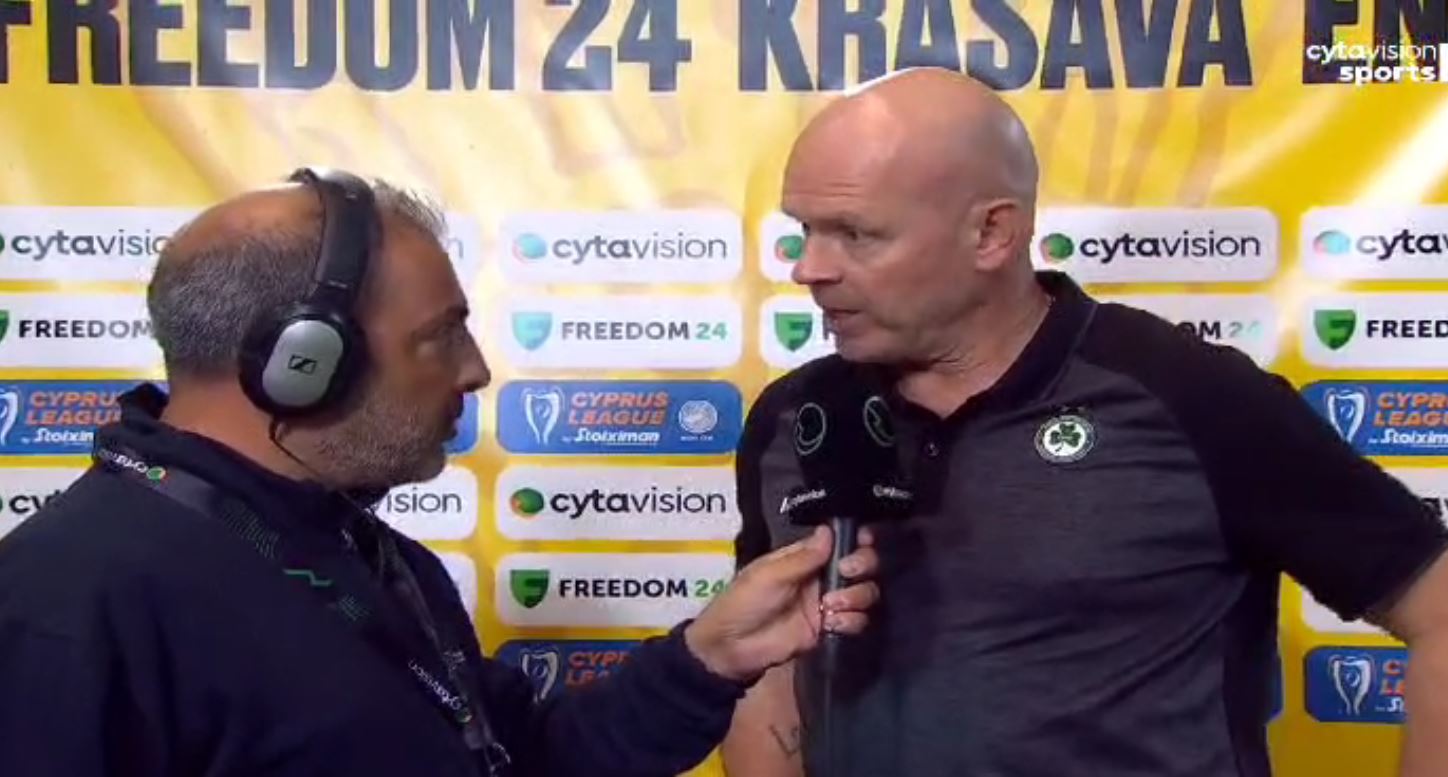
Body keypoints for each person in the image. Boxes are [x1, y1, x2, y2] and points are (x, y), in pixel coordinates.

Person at [0, 168, 883, 777]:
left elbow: (524, 758)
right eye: (440, 335)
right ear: (305, 361)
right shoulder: (68, 605)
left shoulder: (371, 557)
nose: (476, 369)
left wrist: (707, 658)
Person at [721, 68, 1448, 777]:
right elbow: (765, 667)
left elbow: (1437, 607)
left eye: (855, 234)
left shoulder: (1190, 396)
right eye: (805, 230)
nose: (809, 268)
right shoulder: (794, 419)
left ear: (992, 233)